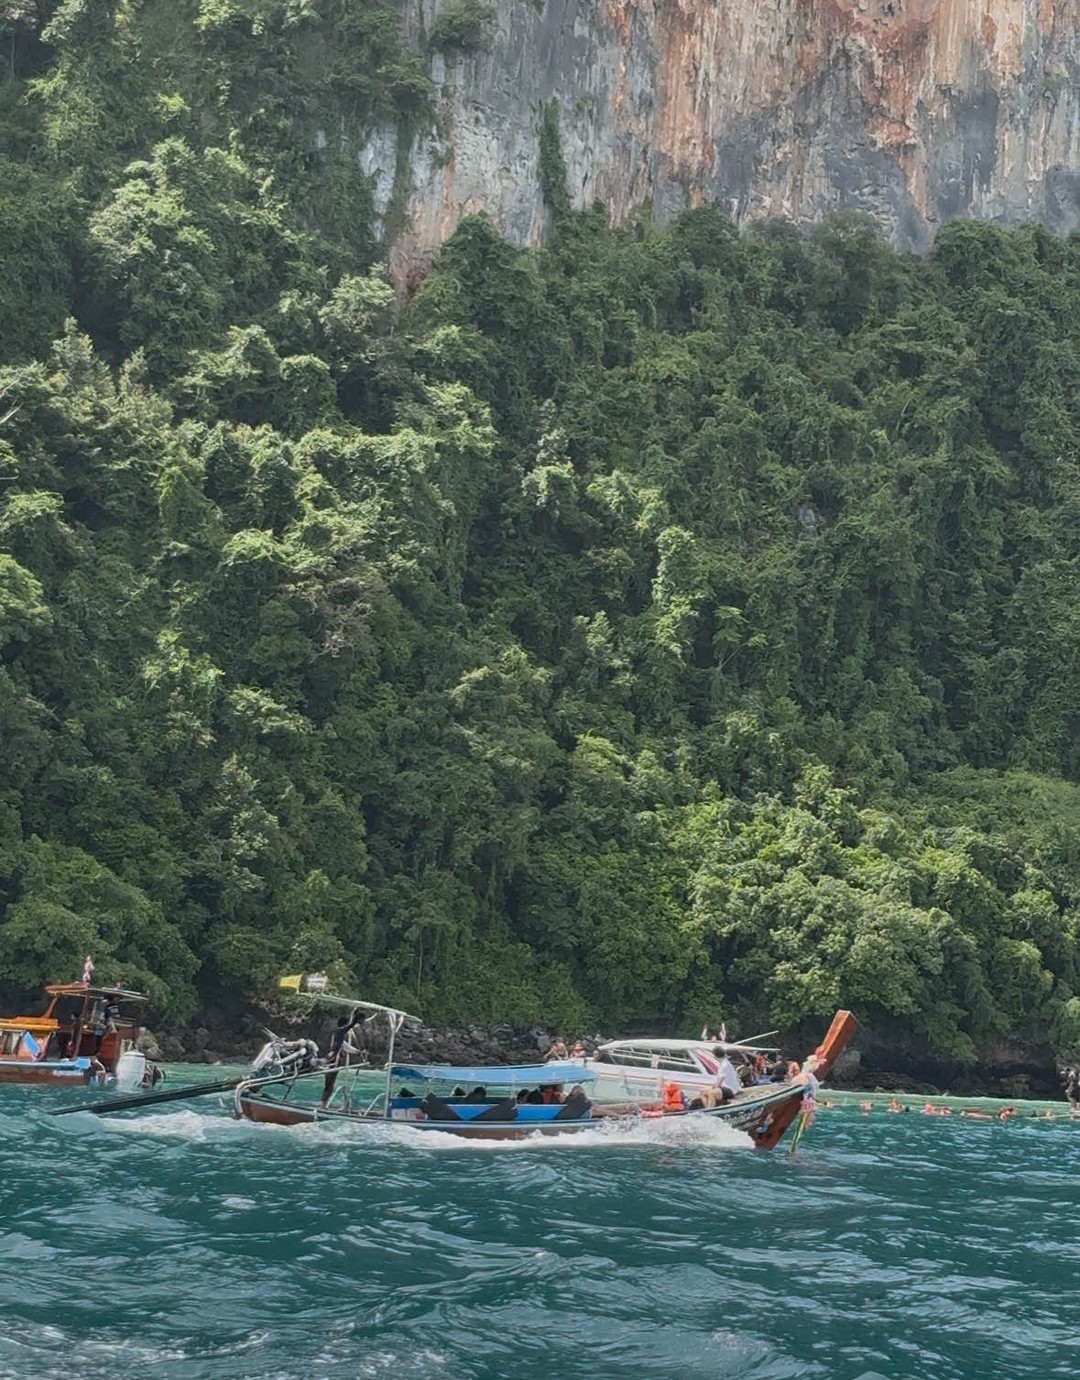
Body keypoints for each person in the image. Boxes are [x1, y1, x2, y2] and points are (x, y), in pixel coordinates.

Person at [319, 1009, 366, 1108]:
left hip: (332, 1060)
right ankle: (323, 1106)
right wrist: (356, 1019)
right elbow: (350, 1026)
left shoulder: (338, 1035)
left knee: (330, 1085)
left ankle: (324, 1105)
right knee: (329, 1084)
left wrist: (358, 1052)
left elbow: (345, 1046)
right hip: (333, 1061)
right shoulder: (340, 1032)